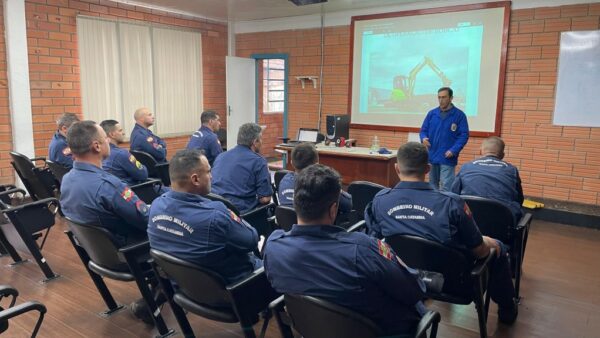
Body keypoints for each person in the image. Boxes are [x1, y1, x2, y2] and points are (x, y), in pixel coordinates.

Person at [366, 142, 519, 325]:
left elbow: (373, 242)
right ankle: (507, 310)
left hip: (400, 277)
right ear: (428, 169)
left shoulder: (380, 200)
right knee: (498, 248)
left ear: (397, 168)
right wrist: (491, 243)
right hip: (452, 284)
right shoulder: (452, 203)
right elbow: (480, 252)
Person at [264, 164, 425, 336]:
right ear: (333, 210)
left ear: (295, 203)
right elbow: (414, 290)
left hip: (314, 328)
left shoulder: (273, 246)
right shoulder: (363, 250)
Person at [59, 120, 155, 324]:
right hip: (128, 254)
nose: (108, 143)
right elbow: (146, 218)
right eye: (105, 139)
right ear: (96, 146)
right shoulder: (109, 185)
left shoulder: (67, 179)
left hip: (98, 254)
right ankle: (152, 302)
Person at [148, 149, 261, 284]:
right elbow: (252, 240)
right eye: (208, 172)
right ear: (195, 179)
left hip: (185, 289)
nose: (211, 176)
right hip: (233, 290)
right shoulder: (216, 215)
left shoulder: (155, 206)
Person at [451, 136, 524, 222]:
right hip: (502, 223)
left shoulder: (466, 167)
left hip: (468, 223)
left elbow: (453, 194)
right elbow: (519, 199)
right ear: (502, 155)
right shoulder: (511, 170)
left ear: (480, 151)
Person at [211, 123, 272, 213]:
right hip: (240, 214)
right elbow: (265, 199)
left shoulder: (221, 156)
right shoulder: (259, 161)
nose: (262, 142)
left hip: (215, 207)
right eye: (261, 139)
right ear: (255, 142)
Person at [277, 143, 352, 214]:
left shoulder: (284, 180)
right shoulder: (323, 184)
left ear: (292, 163)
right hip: (317, 227)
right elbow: (348, 204)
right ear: (317, 165)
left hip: (287, 227)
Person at [419, 87, 469, 191]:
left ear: (451, 98)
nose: (441, 100)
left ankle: (446, 207)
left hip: (447, 156)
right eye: (439, 97)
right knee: (432, 186)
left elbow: (464, 135)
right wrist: (423, 138)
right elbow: (423, 130)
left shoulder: (459, 115)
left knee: (447, 186)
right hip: (432, 155)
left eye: (444, 97)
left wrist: (454, 150)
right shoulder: (432, 114)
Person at [100, 120, 149, 186]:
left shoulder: (98, 153)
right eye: (120, 131)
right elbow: (143, 175)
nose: (123, 133)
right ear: (112, 134)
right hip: (132, 191)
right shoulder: (121, 153)